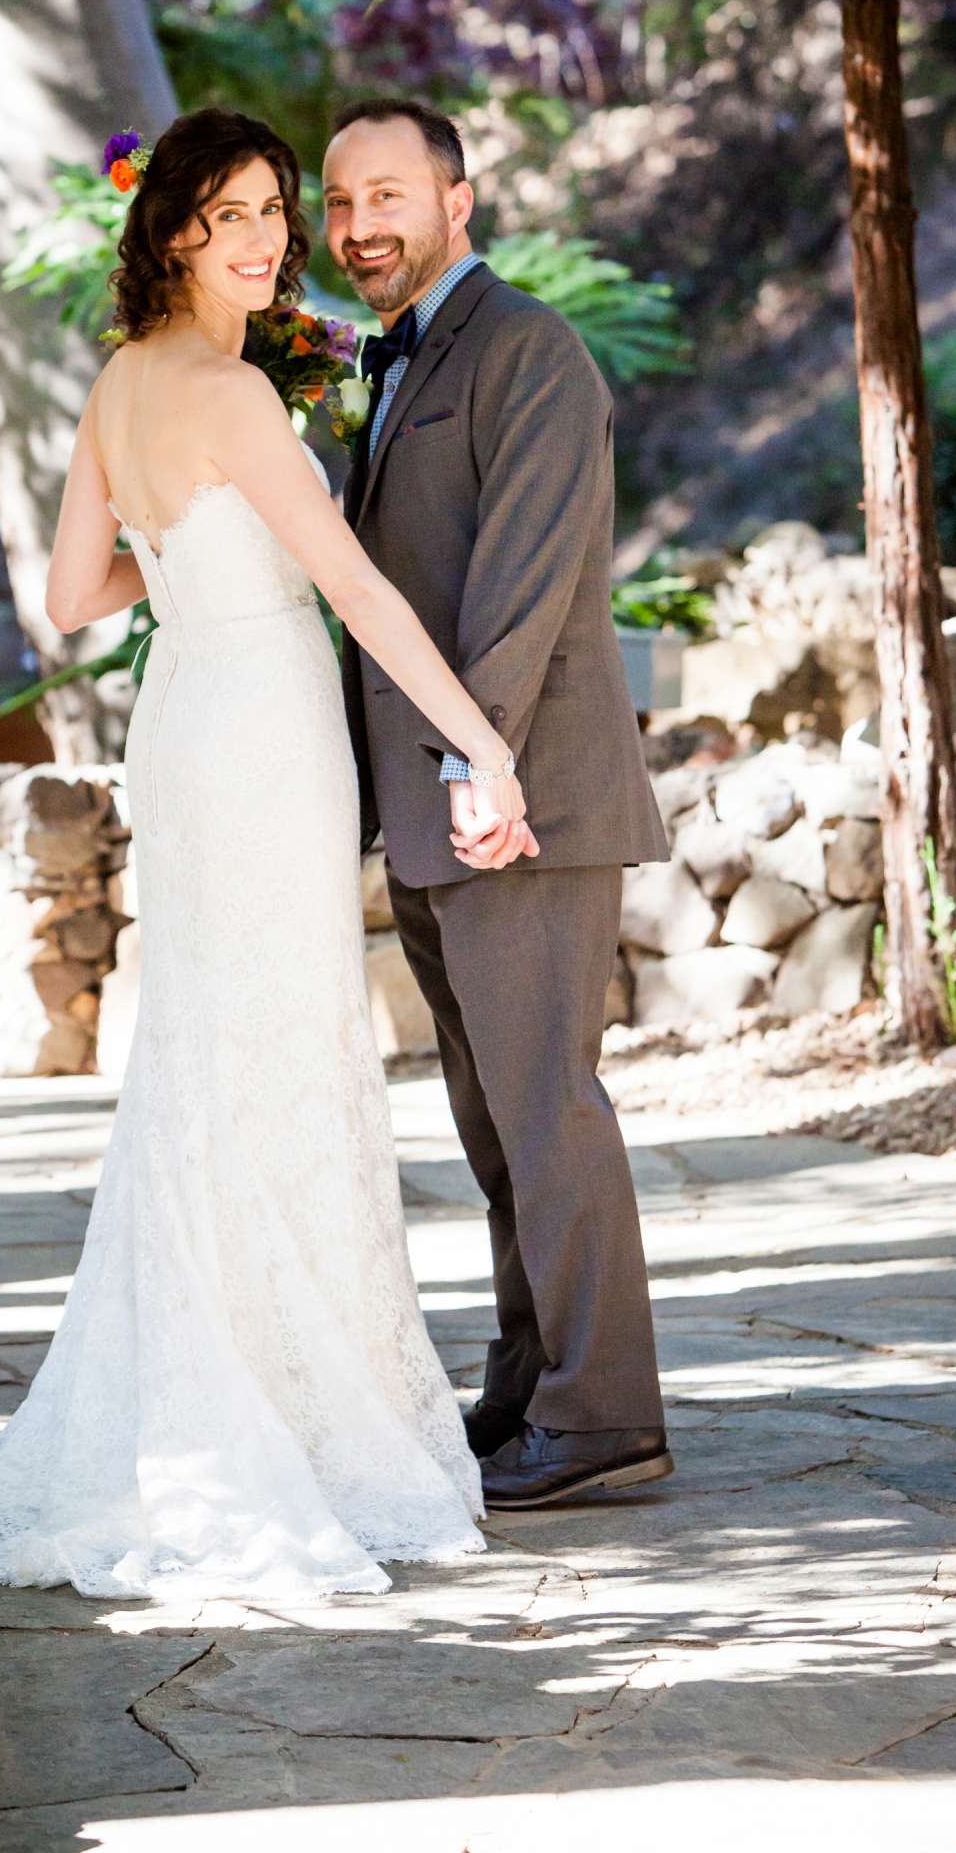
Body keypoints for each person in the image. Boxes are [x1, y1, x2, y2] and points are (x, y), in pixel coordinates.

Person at [0, 107, 526, 1602]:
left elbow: (66, 595)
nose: (265, 239)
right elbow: (357, 586)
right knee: (281, 1043)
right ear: (173, 229)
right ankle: (287, 1417)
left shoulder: (120, 385)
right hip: (261, 723)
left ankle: (224, 1383)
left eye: (275, 214)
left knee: (210, 1049)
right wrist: (480, 743)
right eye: (232, 214)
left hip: (189, 708)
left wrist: (180, 555)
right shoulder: (236, 397)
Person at [326, 95, 674, 1511]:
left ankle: (605, 1418)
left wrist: (483, 773)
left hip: (514, 804)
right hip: (434, 812)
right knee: (493, 1121)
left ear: (458, 200)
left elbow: (523, 590)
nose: (360, 229)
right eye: (340, 205)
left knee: (547, 1108)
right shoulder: (396, 361)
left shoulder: (530, 351)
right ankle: (533, 1380)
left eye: (389, 197)